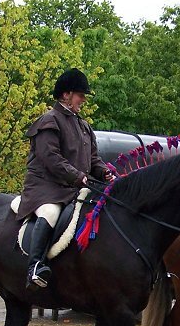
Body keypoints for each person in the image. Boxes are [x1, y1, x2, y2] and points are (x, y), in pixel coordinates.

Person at [16, 68, 114, 290]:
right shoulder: (48, 121)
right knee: (50, 212)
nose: (84, 100)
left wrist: (105, 172)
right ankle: (34, 266)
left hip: (73, 188)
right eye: (81, 95)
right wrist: (79, 177)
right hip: (46, 188)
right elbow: (51, 159)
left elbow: (93, 160)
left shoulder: (83, 126)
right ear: (66, 94)